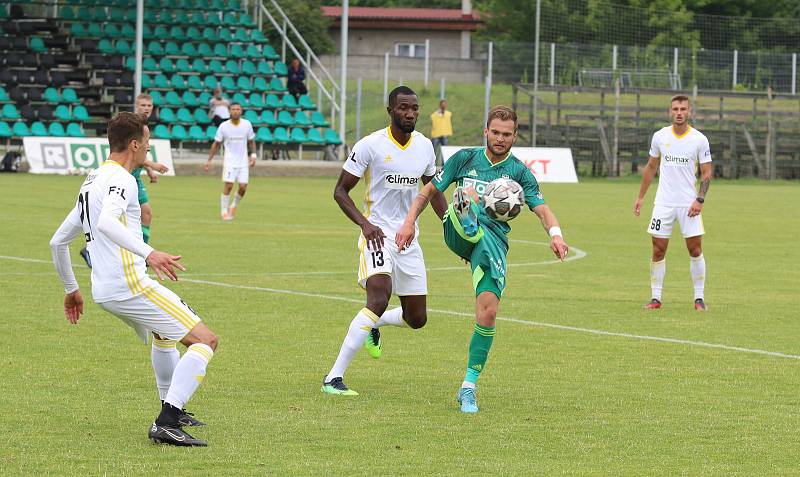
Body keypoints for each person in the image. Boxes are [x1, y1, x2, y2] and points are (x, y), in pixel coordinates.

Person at [50, 112, 218, 446]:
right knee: (205, 341)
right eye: (147, 145)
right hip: (130, 284)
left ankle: (173, 408)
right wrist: (150, 253)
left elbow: (58, 242)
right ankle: (167, 421)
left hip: (104, 289)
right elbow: (108, 224)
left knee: (164, 336)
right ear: (135, 144)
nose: (148, 152)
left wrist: (72, 289)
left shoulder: (92, 182)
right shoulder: (123, 180)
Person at [397, 105, 569, 413]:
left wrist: (555, 234)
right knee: (469, 198)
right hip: (456, 226)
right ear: (485, 131)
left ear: (515, 136)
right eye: (495, 132)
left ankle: (468, 387)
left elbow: (542, 209)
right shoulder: (465, 158)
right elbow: (426, 192)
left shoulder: (519, 172)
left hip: (492, 244)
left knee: (488, 312)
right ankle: (469, 221)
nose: (500, 139)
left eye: (507, 134)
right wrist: (409, 223)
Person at [321, 86, 448, 396]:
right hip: (377, 236)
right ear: (390, 110)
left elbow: (432, 189)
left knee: (416, 319)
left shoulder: (425, 147)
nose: (410, 113)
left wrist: (450, 225)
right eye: (404, 108)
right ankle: (333, 378)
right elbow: (340, 191)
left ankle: (375, 325)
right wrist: (365, 225)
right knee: (379, 297)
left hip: (409, 239)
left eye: (415, 108)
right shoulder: (370, 145)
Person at [634, 94, 712, 311]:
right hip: (664, 204)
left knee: (695, 249)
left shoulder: (699, 139)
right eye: (675, 109)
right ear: (670, 111)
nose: (679, 113)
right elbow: (651, 167)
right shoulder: (660, 136)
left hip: (689, 205)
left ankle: (699, 299)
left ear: (689, 112)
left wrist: (700, 199)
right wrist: (641, 196)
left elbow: (707, 172)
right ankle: (656, 298)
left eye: (683, 109)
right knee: (658, 249)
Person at [79, 93, 168, 269]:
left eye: (149, 106)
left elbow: (139, 152)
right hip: (127, 176)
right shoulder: (131, 125)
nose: (146, 108)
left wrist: (149, 170)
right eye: (143, 105)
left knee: (144, 214)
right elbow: (130, 152)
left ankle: (139, 253)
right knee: (118, 216)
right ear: (136, 105)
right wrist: (153, 165)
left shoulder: (143, 127)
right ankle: (139, 253)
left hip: (135, 176)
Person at [205, 103, 256, 221]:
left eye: (238, 109)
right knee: (229, 185)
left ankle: (233, 206)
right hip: (229, 161)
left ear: (241, 111)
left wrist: (253, 155)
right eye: (233, 109)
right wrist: (209, 160)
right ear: (229, 111)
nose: (236, 111)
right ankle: (224, 211)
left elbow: (251, 141)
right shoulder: (223, 126)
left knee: (243, 187)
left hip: (243, 162)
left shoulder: (247, 124)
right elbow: (216, 143)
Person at [430, 99, 453, 163]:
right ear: (440, 105)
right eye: (442, 105)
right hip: (436, 135)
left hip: (444, 134)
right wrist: (438, 113)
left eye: (445, 104)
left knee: (445, 151)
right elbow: (432, 119)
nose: (444, 106)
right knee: (433, 150)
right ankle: (432, 164)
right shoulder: (435, 114)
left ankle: (444, 164)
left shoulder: (448, 114)